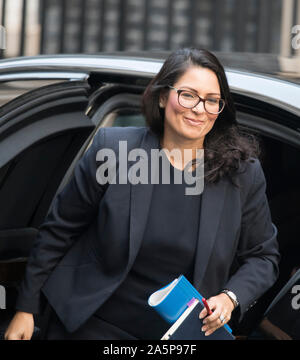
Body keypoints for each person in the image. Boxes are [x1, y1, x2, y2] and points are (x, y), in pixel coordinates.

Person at [5, 48, 280, 340]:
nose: (199, 109)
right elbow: (58, 232)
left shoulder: (241, 173)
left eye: (212, 101)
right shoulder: (114, 151)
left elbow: (263, 257)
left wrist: (230, 297)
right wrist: (26, 309)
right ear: (162, 97)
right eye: (188, 95)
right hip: (92, 324)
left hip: (181, 337)